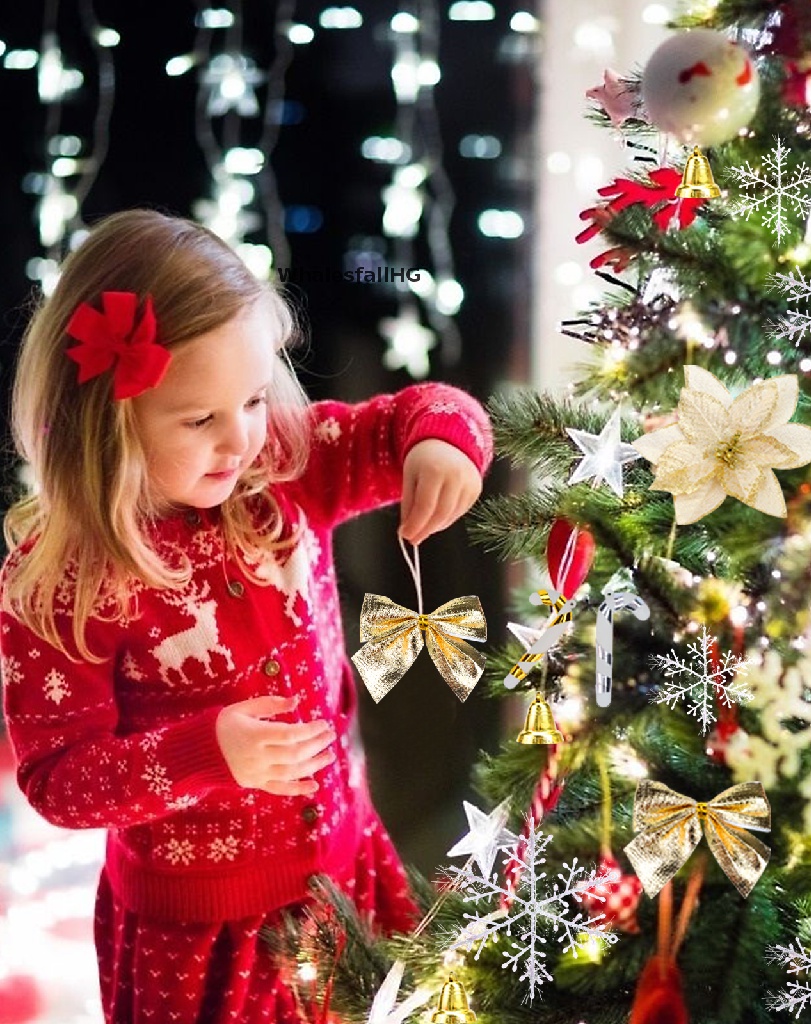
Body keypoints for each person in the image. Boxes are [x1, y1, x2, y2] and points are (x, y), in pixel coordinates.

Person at [0, 209, 494, 1023]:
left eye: (257, 398)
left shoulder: (284, 471)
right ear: (107, 423)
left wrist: (439, 443)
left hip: (344, 875)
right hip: (198, 938)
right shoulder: (65, 579)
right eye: (200, 419)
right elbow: (60, 782)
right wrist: (209, 753)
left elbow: (419, 412)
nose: (241, 439)